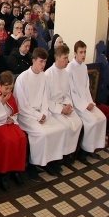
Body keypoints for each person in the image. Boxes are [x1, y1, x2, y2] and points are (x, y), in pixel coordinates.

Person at [14, 48, 68, 179]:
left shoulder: (44, 76)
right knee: (42, 134)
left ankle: (50, 161)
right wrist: (38, 115)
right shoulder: (23, 78)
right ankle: (33, 165)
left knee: (61, 128)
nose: (43, 65)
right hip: (26, 116)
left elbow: (45, 97)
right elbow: (21, 104)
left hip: (42, 113)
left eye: (45, 62)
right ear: (33, 61)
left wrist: (43, 113)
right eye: (41, 61)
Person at [67, 40, 107, 159]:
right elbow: (72, 92)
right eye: (81, 52)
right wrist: (84, 105)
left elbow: (86, 88)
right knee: (92, 121)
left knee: (102, 118)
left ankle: (92, 147)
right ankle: (83, 150)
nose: (83, 55)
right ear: (75, 53)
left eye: (85, 52)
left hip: (86, 102)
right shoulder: (70, 68)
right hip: (77, 104)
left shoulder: (84, 67)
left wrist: (90, 102)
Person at [44, 44, 83, 164]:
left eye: (67, 58)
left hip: (64, 105)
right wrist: (61, 109)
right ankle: (57, 157)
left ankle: (69, 153)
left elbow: (67, 93)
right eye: (65, 58)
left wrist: (68, 105)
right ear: (57, 58)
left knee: (78, 122)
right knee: (65, 126)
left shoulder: (66, 73)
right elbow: (47, 99)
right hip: (53, 109)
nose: (68, 60)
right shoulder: (48, 75)